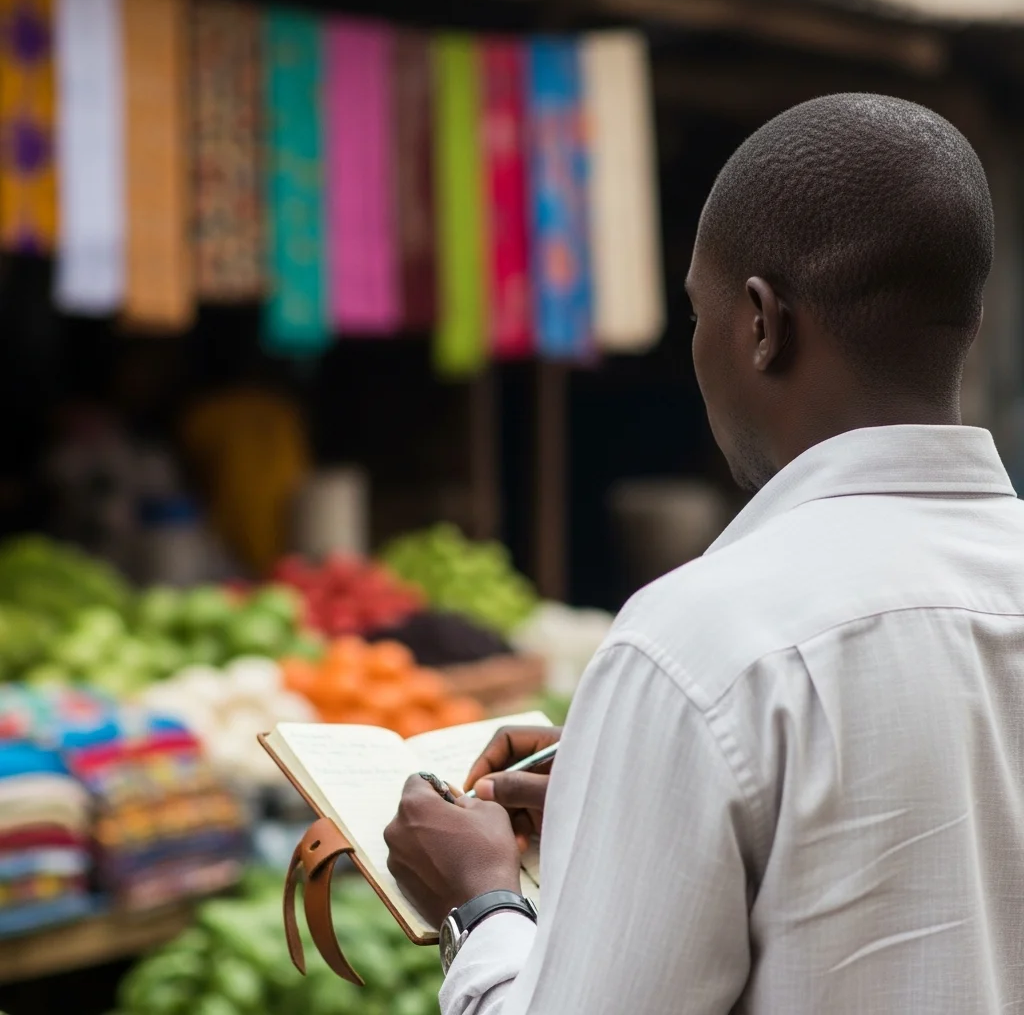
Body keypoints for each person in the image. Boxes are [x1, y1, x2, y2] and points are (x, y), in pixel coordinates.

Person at [384, 93, 1024, 1013]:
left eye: (697, 313)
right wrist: (628, 808)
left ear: (761, 325)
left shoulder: (701, 649)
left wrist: (478, 906)